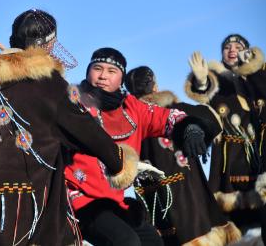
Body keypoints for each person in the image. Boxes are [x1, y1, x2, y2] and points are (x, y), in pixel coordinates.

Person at [0, 9, 130, 246]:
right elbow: (87, 132)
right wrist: (120, 162)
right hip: (20, 208)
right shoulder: (50, 84)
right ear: (45, 45)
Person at [64, 47, 214, 246]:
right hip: (79, 199)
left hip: (114, 201)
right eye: (97, 68)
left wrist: (191, 128)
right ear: (87, 71)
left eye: (111, 71)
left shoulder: (131, 107)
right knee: (127, 242)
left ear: (121, 78)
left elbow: (167, 117)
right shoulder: (70, 103)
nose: (102, 76)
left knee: (153, 241)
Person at [125, 65, 241, 245]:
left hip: (156, 203)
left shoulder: (125, 120)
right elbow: (214, 122)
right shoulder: (175, 111)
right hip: (191, 198)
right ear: (155, 86)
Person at [185, 34, 266, 243]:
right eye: (226, 47)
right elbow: (205, 102)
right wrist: (203, 82)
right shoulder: (219, 82)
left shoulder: (259, 78)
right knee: (231, 231)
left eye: (238, 46)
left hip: (260, 164)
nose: (231, 49)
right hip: (229, 168)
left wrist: (252, 68)